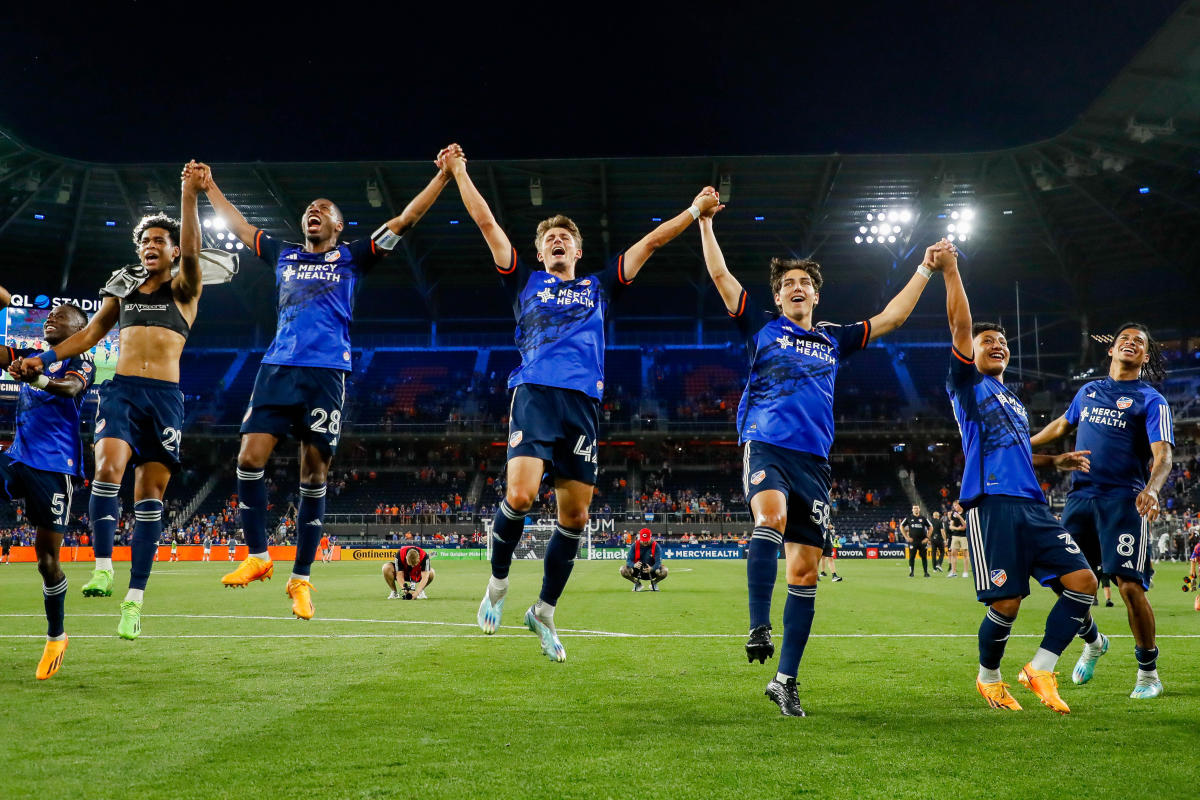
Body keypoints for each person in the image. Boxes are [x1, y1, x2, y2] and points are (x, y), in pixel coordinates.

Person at [443, 144, 718, 663]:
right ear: (541, 252)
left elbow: (651, 243)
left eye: (565, 237)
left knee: (576, 516)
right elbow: (485, 223)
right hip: (536, 395)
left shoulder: (599, 287)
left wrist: (692, 212)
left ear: (577, 250)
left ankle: (543, 610)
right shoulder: (524, 281)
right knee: (521, 497)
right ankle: (498, 586)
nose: (557, 241)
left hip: (584, 406)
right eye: (550, 238)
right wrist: (459, 171)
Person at [699, 204, 948, 717]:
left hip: (815, 463)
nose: (795, 287)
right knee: (769, 519)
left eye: (803, 282)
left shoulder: (832, 338)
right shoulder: (760, 329)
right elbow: (722, 277)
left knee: (806, 575)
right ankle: (757, 623)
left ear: (815, 294)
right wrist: (704, 222)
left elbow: (892, 317)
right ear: (777, 295)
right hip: (766, 443)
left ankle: (785, 680)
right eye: (787, 282)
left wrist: (925, 267)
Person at [199, 149, 454, 620]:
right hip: (277, 367)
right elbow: (237, 226)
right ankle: (258, 556)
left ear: (338, 225)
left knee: (313, 475)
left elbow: (406, 219)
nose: (312, 212)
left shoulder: (354, 256)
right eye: (308, 210)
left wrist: (443, 176)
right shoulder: (283, 253)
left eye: (323, 210)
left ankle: (301, 579)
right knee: (248, 459)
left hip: (326, 373)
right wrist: (208, 186)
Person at [14, 164, 205, 641]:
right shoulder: (122, 288)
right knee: (105, 471)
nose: (151, 246)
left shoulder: (185, 288)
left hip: (164, 399)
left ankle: (135, 601)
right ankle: (103, 568)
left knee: (148, 499)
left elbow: (195, 247)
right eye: (146, 241)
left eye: (161, 241)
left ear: (175, 250)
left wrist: (187, 192)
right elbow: (91, 334)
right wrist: (44, 357)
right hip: (119, 391)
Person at [940, 244, 1097, 714]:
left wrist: (1054, 461)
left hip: (1032, 504)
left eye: (1002, 342)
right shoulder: (966, 385)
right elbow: (960, 327)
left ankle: (1040, 668)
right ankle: (989, 679)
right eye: (987, 341)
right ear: (970, 352)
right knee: (1006, 604)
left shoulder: (1014, 401)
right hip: (992, 504)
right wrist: (950, 271)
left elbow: (1016, 451)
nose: (997, 345)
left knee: (1083, 581)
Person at [1030, 322, 1174, 699]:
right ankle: (1093, 642)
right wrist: (1020, 445)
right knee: (1067, 584)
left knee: (1129, 586)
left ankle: (1148, 674)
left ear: (1144, 356)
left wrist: (1153, 490)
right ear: (1110, 350)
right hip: (1080, 499)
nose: (1130, 344)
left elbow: (1164, 455)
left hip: (1123, 501)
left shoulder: (1151, 399)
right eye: (1124, 339)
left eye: (1139, 342)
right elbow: (1062, 424)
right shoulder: (1089, 391)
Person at [0, 290, 95, 678]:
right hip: (17, 456)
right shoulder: (29, 353)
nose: (50, 318)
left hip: (55, 467)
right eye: (49, 315)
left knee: (47, 561)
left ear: (80, 329)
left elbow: (71, 389)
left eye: (61, 315)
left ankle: (56, 635)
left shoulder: (79, 358)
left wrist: (35, 376)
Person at [901, 505, 932, 578]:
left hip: (922, 541)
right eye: (914, 508)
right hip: (913, 541)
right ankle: (911, 573)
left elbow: (931, 527)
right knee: (911, 557)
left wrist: (927, 538)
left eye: (917, 508)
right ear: (912, 510)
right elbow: (901, 526)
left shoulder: (923, 518)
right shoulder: (909, 518)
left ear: (919, 509)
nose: (916, 509)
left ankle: (926, 573)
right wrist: (906, 537)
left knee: (924, 557)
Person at [946, 502, 968, 578]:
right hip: (955, 536)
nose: (954, 507)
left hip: (964, 536)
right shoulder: (953, 514)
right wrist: (957, 528)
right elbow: (950, 526)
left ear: (959, 505)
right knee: (953, 554)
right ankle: (953, 572)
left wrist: (959, 517)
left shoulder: (966, 513)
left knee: (965, 555)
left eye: (955, 505)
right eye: (954, 506)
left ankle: (965, 572)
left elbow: (965, 526)